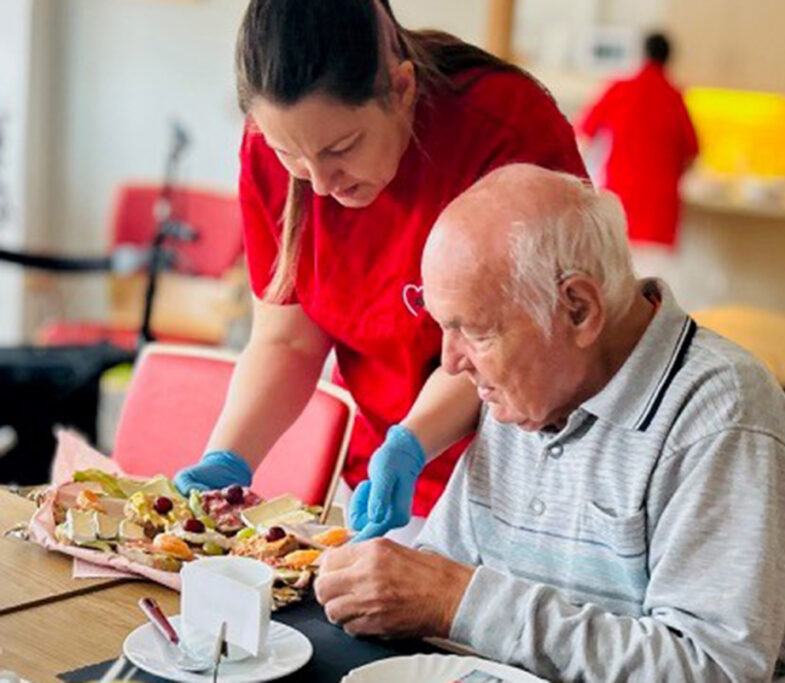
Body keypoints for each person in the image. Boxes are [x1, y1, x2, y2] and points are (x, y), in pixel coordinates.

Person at [314, 164, 785, 681]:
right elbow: (446, 572)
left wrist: (453, 600)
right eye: (442, 327)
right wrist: (384, 585)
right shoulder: (531, 389)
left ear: (577, 310)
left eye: (473, 331)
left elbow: (709, 670)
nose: (450, 362)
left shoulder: (721, 418)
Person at [172, 0, 586, 542]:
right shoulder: (273, 152)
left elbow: (499, 346)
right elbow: (288, 343)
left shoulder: (504, 128)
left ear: (402, 88)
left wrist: (410, 443)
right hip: (379, 470)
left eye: (341, 148)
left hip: (521, 477)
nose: (319, 184)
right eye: (290, 155)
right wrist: (227, 457)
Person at [576, 32, 699, 248]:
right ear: (669, 58)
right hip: (659, 212)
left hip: (619, 201)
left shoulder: (619, 89)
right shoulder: (675, 98)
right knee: (654, 278)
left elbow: (584, 137)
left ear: (641, 54)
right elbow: (691, 155)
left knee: (613, 275)